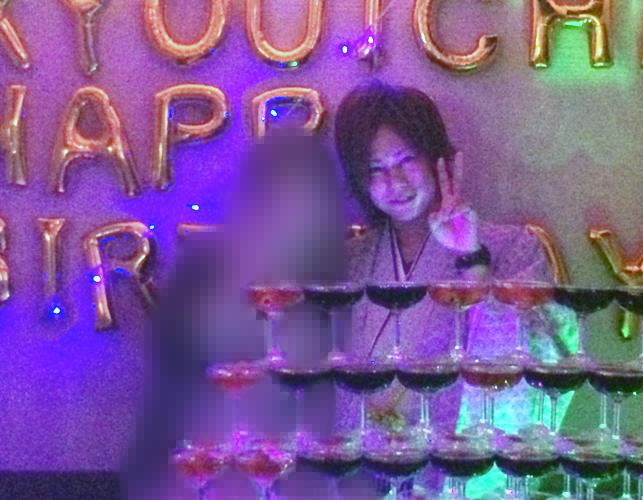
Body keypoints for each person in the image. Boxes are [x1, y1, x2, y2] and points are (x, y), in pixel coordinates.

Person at [334, 82, 578, 498]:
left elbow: (543, 361)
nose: (394, 182)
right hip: (361, 479)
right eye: (375, 169)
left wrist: (471, 259)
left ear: (437, 159)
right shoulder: (353, 260)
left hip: (461, 483)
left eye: (406, 160)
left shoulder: (511, 248)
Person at [120, 130, 371, 499]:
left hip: (297, 479)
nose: (296, 216)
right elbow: (173, 375)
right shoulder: (203, 269)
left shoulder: (335, 280)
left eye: (308, 202)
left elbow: (331, 403)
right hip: (199, 471)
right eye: (282, 199)